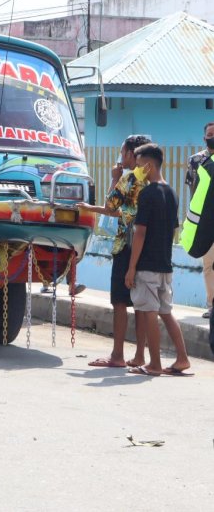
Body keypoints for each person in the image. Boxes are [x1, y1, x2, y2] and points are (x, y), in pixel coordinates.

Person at [78, 134, 150, 368]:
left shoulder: (128, 179)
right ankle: (140, 355)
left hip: (125, 245)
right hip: (146, 246)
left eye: (123, 152)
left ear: (131, 154)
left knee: (120, 302)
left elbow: (111, 207)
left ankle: (117, 355)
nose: (121, 157)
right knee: (140, 303)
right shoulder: (151, 179)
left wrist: (114, 178)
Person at [125, 143, 191, 376]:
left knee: (150, 311)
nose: (137, 170)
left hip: (147, 265)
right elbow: (172, 228)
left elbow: (140, 232)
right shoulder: (171, 193)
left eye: (140, 165)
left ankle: (154, 364)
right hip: (165, 263)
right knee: (166, 311)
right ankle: (182, 358)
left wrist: (131, 268)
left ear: (150, 165)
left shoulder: (147, 194)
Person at [184, 122, 214, 318]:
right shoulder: (196, 161)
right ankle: (212, 305)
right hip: (205, 221)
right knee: (209, 264)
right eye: (210, 134)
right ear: (204, 137)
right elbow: (192, 189)